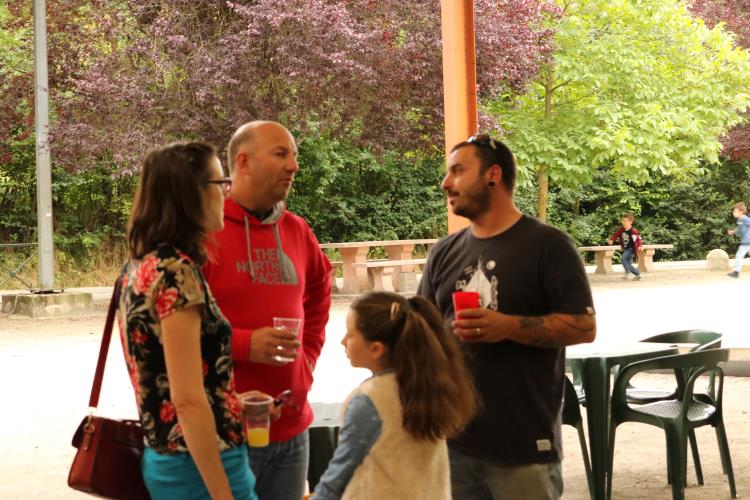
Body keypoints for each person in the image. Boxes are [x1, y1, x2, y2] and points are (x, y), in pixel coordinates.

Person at [419, 134, 596, 500]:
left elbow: (583, 326)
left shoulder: (549, 246)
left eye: (457, 171)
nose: (446, 183)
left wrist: (507, 327)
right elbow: (422, 331)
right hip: (454, 442)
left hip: (524, 445)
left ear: (493, 176)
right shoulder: (444, 252)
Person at [118, 142, 259, 499]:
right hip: (198, 465)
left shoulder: (140, 265)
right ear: (191, 193)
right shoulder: (177, 273)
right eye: (220, 183)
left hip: (169, 459)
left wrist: (230, 402)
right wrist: (223, 494)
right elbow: (186, 401)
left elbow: (162, 375)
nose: (226, 193)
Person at [204, 121, 332, 499]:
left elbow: (320, 295)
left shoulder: (297, 230)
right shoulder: (204, 233)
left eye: (294, 155)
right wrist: (244, 345)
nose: (293, 165)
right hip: (224, 431)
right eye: (281, 154)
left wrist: (306, 360)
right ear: (243, 162)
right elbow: (172, 332)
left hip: (292, 428)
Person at [313, 292, 480, 499]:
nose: (342, 341)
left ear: (375, 349)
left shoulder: (368, 401)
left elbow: (337, 476)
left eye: (350, 334)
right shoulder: (430, 386)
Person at [607, 212, 643, 280]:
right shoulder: (622, 229)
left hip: (631, 249)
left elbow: (638, 239)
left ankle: (633, 273)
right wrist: (612, 239)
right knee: (628, 262)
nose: (623, 222)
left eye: (625, 221)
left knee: (623, 259)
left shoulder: (633, 231)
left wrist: (640, 246)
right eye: (622, 221)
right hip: (626, 248)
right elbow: (616, 234)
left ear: (630, 222)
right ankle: (634, 275)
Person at [727, 201, 750, 278]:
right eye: (734, 211)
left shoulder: (744, 218)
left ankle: (736, 272)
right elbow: (739, 230)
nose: (734, 213)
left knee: (739, 255)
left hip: (747, 241)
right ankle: (736, 272)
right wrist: (732, 232)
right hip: (746, 241)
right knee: (739, 255)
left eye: (735, 211)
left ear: (741, 212)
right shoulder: (739, 220)